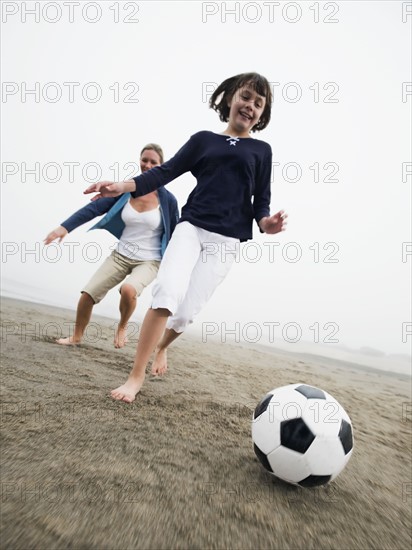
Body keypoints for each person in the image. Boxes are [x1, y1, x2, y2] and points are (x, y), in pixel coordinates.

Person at [85, 72, 288, 402]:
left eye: (258, 103)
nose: (250, 106)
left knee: (186, 312)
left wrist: (268, 223)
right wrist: (121, 186)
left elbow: (260, 203)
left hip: (226, 241)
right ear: (229, 99)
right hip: (192, 226)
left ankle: (162, 347)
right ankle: (136, 377)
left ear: (262, 114)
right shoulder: (203, 140)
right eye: (245, 97)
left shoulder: (262, 150)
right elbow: (164, 172)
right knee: (167, 292)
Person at [44, 144, 179, 348]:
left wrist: (177, 267)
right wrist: (64, 228)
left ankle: (123, 326)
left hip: (150, 261)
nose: (148, 165)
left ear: (161, 166)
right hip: (120, 256)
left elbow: (175, 234)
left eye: (153, 162)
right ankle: (76, 336)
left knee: (128, 290)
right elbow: (93, 209)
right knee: (88, 294)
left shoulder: (168, 200)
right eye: (145, 160)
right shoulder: (126, 191)